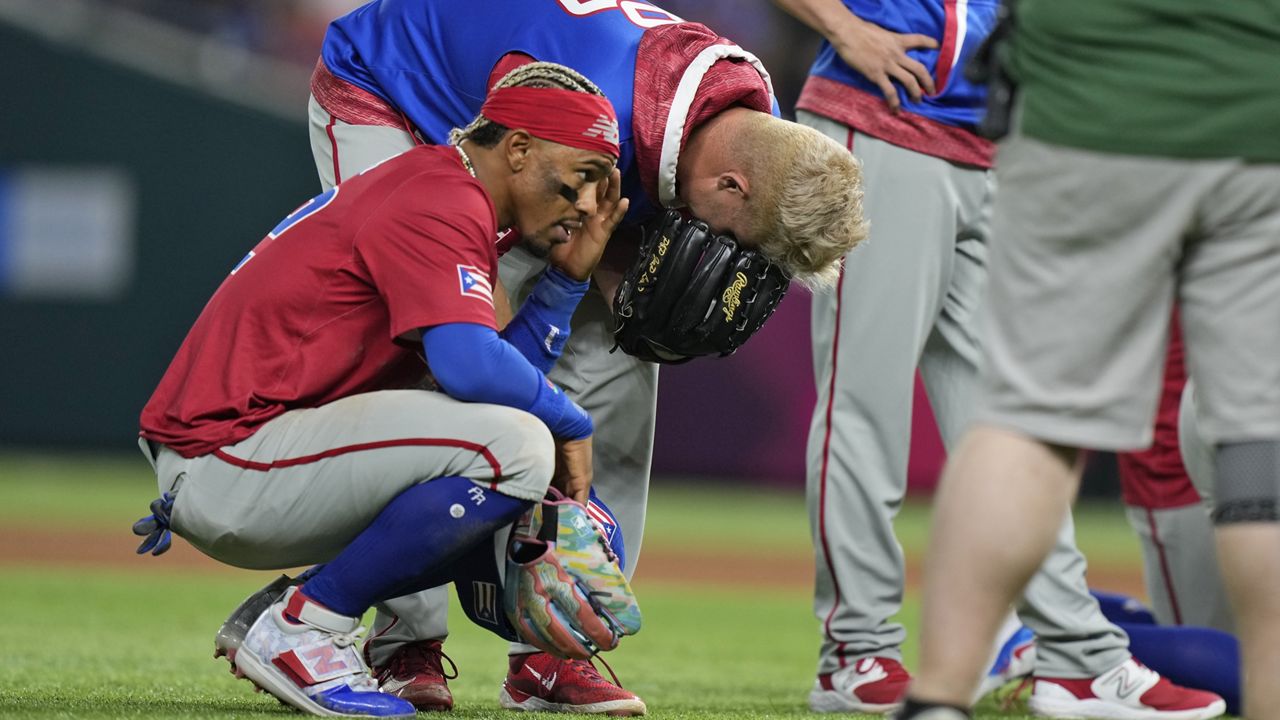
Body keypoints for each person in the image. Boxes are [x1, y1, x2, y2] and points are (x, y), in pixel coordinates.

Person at [219, 0, 868, 714]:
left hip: (555, 138)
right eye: (744, 244)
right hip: (395, 97)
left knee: (622, 371)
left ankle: (555, 651)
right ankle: (402, 638)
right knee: (432, 365)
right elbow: (493, 200)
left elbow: (626, 215)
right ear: (731, 186)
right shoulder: (591, 104)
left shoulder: (753, 120)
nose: (733, 267)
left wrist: (614, 266)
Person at [770, 1, 1225, 717]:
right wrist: (844, 27)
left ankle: (1076, 658)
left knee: (1019, 427)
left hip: (994, 145)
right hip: (884, 119)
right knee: (864, 406)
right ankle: (856, 653)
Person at [136, 65, 632, 718]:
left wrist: (566, 285)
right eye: (584, 174)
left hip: (272, 452)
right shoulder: (441, 198)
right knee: (521, 447)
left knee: (543, 491)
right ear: (517, 150)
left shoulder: (448, 191)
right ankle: (306, 626)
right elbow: (470, 369)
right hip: (228, 456)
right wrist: (572, 419)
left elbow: (484, 380)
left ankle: (303, 609)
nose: (591, 205)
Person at [897, 0, 1280, 717]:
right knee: (1260, 447)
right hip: (1258, 110)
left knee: (1029, 424)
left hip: (1086, 102)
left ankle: (941, 699)